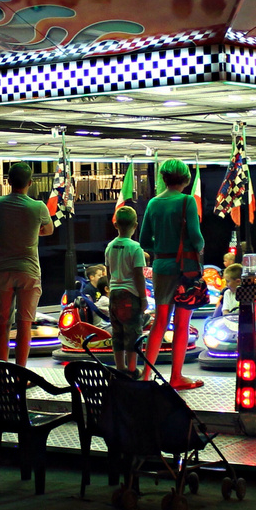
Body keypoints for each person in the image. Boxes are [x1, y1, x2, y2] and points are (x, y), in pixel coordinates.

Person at [138, 158, 205, 390]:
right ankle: (176, 376)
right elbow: (196, 238)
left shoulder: (153, 203)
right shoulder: (187, 201)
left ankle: (146, 376)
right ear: (185, 179)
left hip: (160, 268)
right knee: (182, 324)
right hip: (184, 270)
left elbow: (144, 240)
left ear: (164, 178)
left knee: (160, 322)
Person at [0, 163, 54, 367]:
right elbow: (49, 230)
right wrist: (32, 231)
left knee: (3, 324)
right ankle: (21, 371)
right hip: (29, 271)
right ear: (30, 183)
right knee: (25, 324)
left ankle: (1, 369)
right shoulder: (38, 207)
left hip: (2, 270)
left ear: (8, 181)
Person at [105, 205, 146, 376]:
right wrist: (143, 297)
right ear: (135, 225)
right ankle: (132, 369)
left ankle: (119, 367)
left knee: (117, 332)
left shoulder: (110, 247)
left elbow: (108, 272)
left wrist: (111, 289)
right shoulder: (135, 248)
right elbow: (138, 275)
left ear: (115, 225)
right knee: (133, 332)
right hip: (130, 295)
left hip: (114, 293)